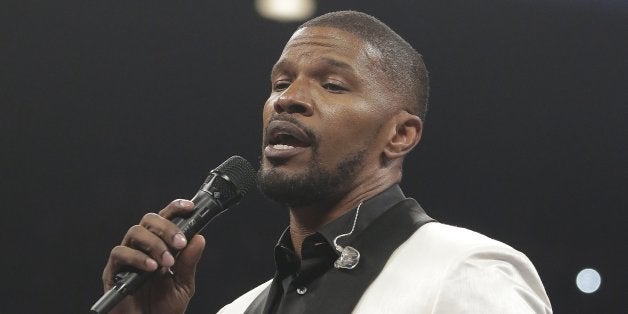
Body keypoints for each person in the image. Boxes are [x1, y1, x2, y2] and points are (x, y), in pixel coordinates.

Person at [101, 11, 552, 313]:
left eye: (332, 85)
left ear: (399, 135)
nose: (288, 100)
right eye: (280, 83)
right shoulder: (239, 310)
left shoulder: (466, 271)